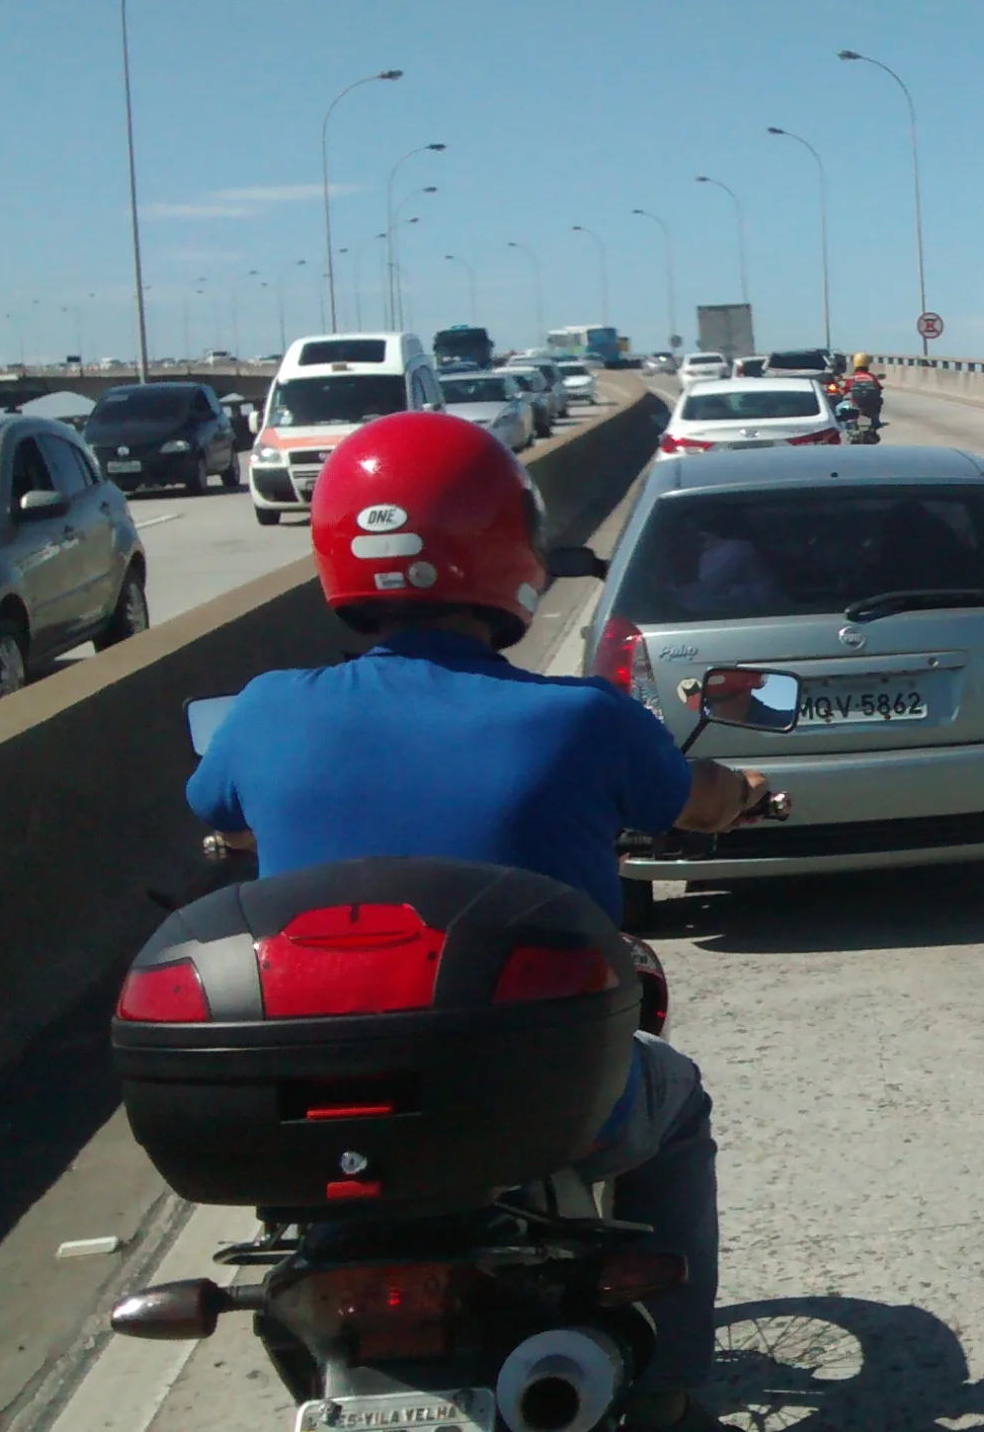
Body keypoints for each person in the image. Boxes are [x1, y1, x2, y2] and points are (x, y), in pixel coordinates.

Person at [184, 412, 767, 1432]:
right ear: (507, 546)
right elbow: (700, 800)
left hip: (317, 1112)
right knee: (677, 1109)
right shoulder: (584, 720)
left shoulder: (268, 711)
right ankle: (672, 1385)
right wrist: (745, 790)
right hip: (532, 1107)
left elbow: (214, 812)